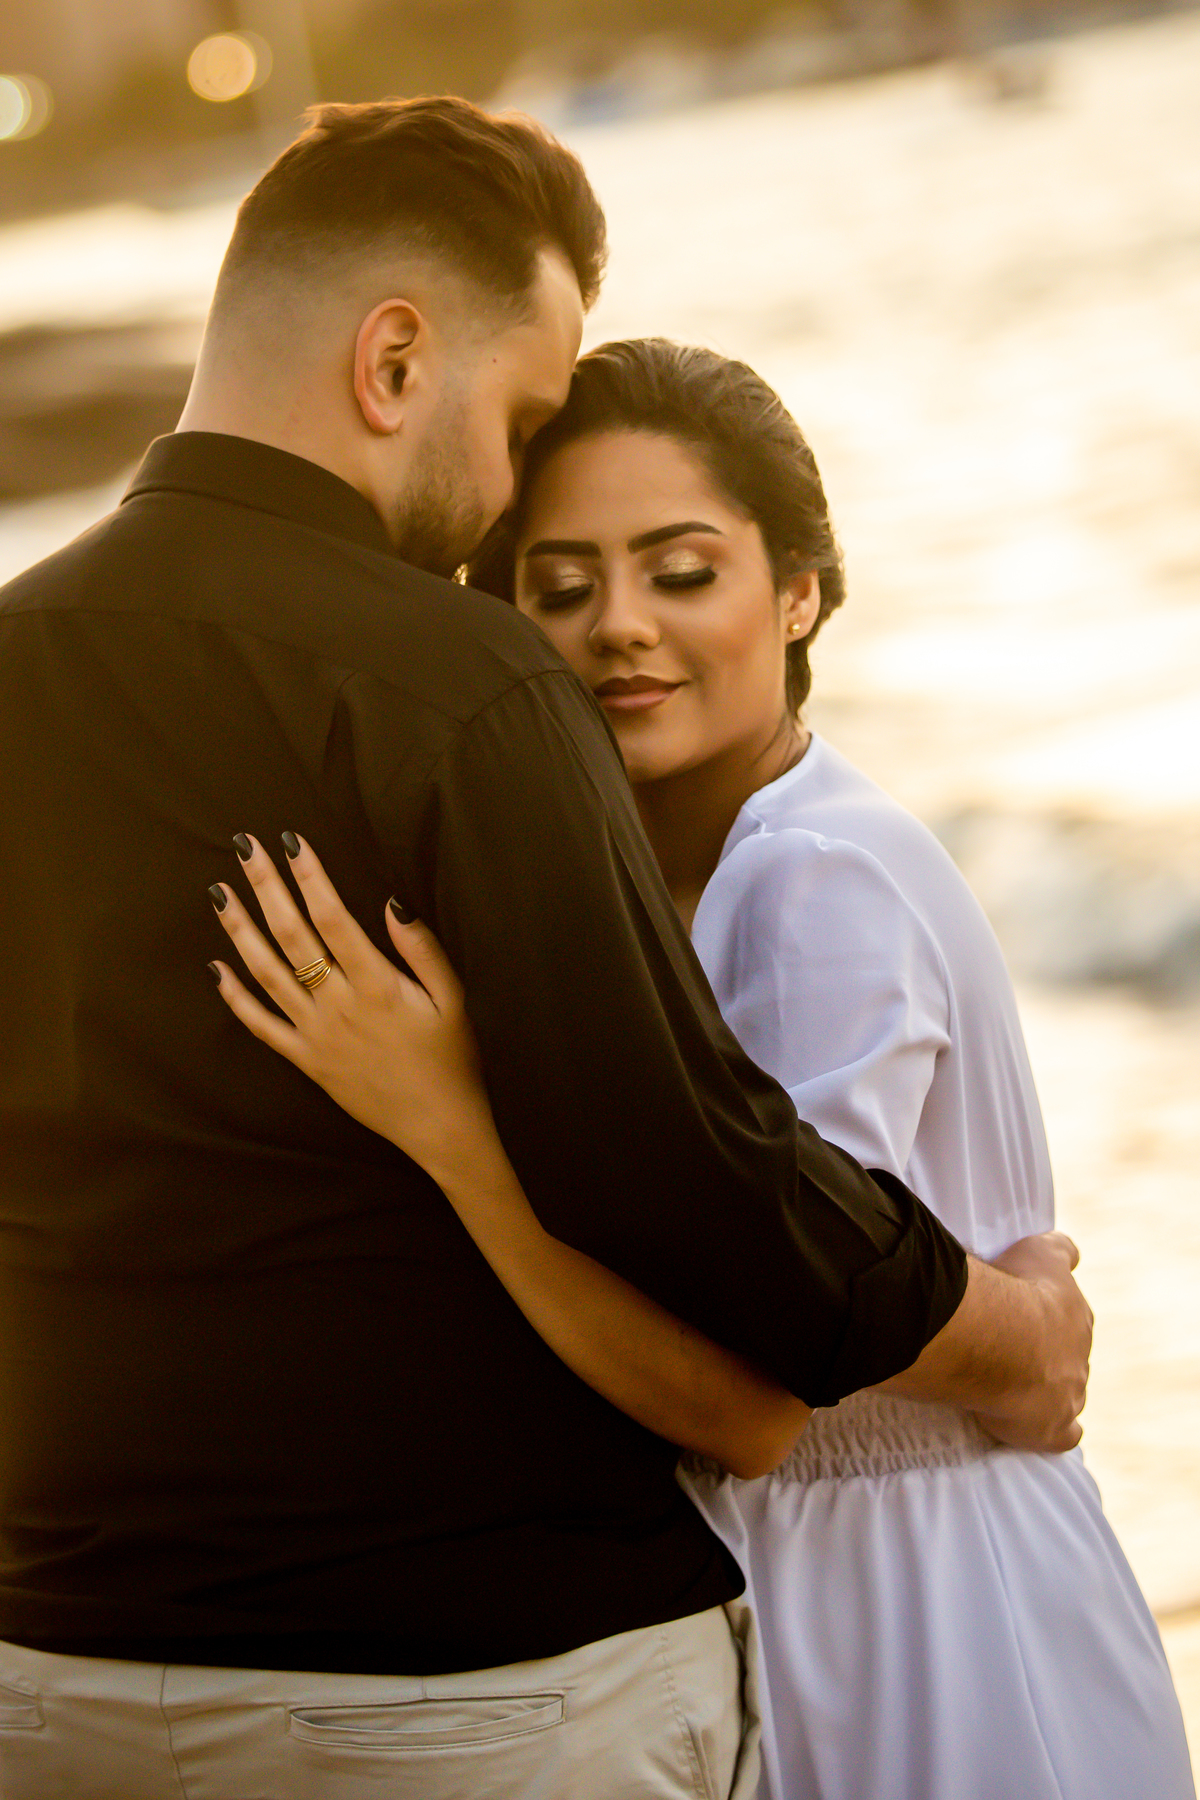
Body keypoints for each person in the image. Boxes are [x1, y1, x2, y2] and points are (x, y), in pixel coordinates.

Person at [0, 94, 1089, 1798]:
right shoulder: (456, 687)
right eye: (516, 425)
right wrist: (1003, 1333)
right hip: (456, 1681)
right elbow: (700, 1190)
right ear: (393, 361)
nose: (506, 491)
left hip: (48, 1669)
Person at [208, 340, 1193, 1800]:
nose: (620, 629)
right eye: (560, 587)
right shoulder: (671, 877)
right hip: (817, 1580)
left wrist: (441, 1111)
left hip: (908, 1609)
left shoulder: (810, 884)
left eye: (681, 572)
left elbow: (759, 1370)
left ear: (798, 592)